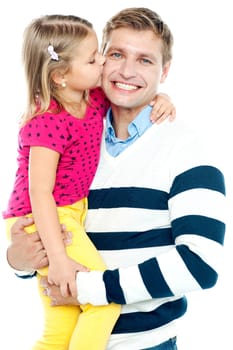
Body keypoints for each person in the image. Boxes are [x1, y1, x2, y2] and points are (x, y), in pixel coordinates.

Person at [6, 7, 226, 350]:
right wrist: (18, 261)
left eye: (145, 61)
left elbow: (201, 265)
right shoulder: (75, 132)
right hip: (69, 338)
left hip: (147, 344)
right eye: (116, 54)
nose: (126, 71)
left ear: (165, 71)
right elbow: (45, 222)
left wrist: (90, 289)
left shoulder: (187, 150)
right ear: (99, 61)